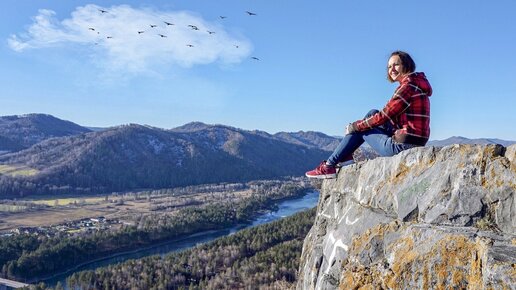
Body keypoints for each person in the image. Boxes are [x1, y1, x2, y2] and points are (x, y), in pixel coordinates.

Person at [306, 51, 432, 179]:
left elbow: (384, 116)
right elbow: (385, 116)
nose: (391, 69)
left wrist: (354, 127)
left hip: (403, 146)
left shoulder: (408, 87)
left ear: (406, 65)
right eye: (389, 67)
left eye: (396, 65)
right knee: (372, 113)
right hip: (415, 140)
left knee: (361, 128)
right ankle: (344, 157)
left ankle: (330, 165)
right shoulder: (417, 84)